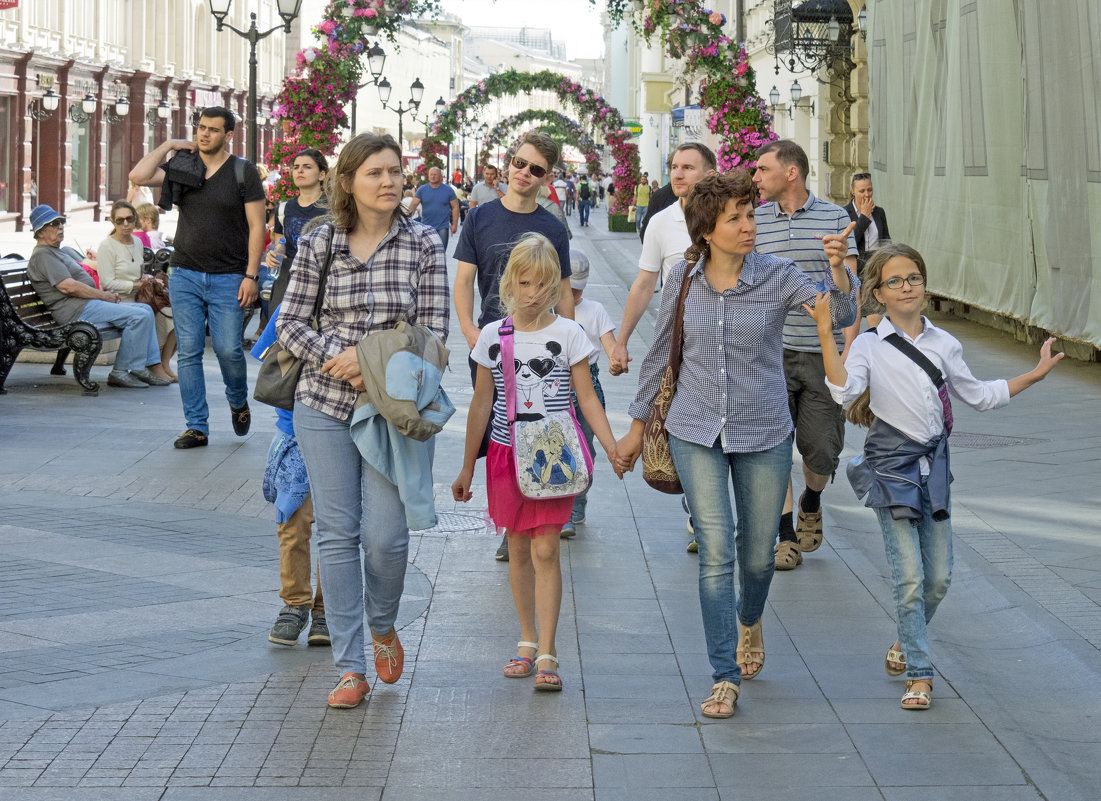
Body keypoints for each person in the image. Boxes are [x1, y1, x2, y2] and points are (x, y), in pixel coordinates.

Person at [615, 170, 857, 718]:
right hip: (694, 428)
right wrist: (634, 428)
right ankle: (724, 674)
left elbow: (838, 314)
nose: (750, 226)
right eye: (737, 218)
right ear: (706, 229)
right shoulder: (682, 277)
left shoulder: (778, 275)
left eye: (751, 214)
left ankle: (751, 618)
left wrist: (839, 271)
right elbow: (660, 355)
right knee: (717, 551)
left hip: (765, 429)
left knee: (757, 556)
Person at [805, 242, 1061, 710]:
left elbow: (980, 396)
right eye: (895, 281)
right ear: (878, 293)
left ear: (925, 285)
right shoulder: (868, 344)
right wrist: (827, 333)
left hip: (935, 468)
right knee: (908, 579)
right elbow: (843, 394)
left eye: (914, 278)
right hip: (890, 469)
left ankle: (906, 640)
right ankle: (920, 676)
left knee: (938, 579)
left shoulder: (945, 343)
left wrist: (1035, 375)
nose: (906, 287)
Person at [277, 133, 450, 709]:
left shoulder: (424, 242)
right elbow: (290, 323)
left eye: (396, 172)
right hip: (323, 403)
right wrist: (339, 359)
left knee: (385, 538)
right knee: (337, 531)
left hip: (389, 410)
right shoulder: (320, 239)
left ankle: (382, 623)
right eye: (375, 172)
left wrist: (371, 361)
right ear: (347, 181)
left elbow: (434, 335)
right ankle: (351, 665)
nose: (389, 182)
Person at [452, 233, 621, 692]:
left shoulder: (569, 335)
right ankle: (526, 640)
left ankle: (547, 649)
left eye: (543, 286)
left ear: (556, 288)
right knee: (519, 549)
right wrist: (468, 465)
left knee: (546, 548)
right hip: (507, 457)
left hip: (554, 458)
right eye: (524, 284)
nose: (533, 294)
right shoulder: (493, 336)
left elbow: (586, 398)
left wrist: (609, 445)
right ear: (510, 284)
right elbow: (481, 405)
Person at [453, 131, 575, 563]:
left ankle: (532, 510)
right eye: (519, 163)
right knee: (496, 426)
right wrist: (469, 328)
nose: (524, 173)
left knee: (536, 424)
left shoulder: (552, 227)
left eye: (535, 169)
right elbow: (465, 280)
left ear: (548, 177)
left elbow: (562, 291)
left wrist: (569, 342)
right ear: (509, 164)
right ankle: (510, 514)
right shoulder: (479, 218)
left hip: (540, 347)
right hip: (492, 342)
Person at [129, 106, 266, 449]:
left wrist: (251, 275)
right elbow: (139, 176)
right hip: (185, 272)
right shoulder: (183, 166)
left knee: (228, 349)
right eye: (201, 128)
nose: (204, 134)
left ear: (228, 135)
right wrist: (169, 145)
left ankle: (237, 400)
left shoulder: (242, 172)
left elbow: (256, 227)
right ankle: (196, 426)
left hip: (229, 276)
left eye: (213, 130)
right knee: (188, 352)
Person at [752, 139, 859, 570]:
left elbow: (849, 295)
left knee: (821, 451)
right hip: (769, 354)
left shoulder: (835, 217)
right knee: (773, 449)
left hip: (822, 355)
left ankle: (811, 499)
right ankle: (784, 536)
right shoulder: (754, 221)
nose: (755, 177)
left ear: (790, 171)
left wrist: (850, 348)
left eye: (762, 169)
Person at [250, 307, 327, 649]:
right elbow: (268, 357)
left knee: (338, 527)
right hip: (295, 430)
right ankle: (294, 603)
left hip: (349, 430)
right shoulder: (295, 303)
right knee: (293, 523)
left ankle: (328, 608)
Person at [25, 204, 167, 389]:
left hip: (86, 305)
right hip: (76, 311)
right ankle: (121, 371)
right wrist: (103, 295)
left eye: (61, 222)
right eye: (53, 224)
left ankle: (141, 367)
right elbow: (69, 287)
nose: (60, 226)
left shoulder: (54, 252)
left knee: (146, 310)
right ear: (40, 231)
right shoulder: (43, 255)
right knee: (138, 315)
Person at [611, 143, 716, 377]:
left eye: (688, 167)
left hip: (723, 337)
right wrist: (621, 342)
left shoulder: (728, 219)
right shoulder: (661, 222)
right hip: (677, 338)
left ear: (710, 175)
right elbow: (644, 285)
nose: (677, 174)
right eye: (675, 167)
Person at [559, 251, 616, 539]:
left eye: (578, 286)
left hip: (588, 383)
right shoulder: (548, 311)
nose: (574, 292)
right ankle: (563, 512)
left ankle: (577, 503)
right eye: (569, 286)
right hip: (556, 386)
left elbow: (609, 343)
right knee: (563, 448)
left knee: (584, 448)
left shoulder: (594, 310)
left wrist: (616, 357)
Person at [96, 199, 176, 382]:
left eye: (129, 219)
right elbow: (107, 283)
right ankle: (153, 365)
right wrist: (134, 285)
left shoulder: (137, 243)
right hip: (117, 300)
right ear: (113, 222)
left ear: (135, 220)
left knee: (175, 313)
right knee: (158, 314)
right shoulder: (107, 246)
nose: (125, 224)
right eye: (120, 220)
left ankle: (162, 364)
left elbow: (139, 273)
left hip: (139, 298)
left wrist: (147, 280)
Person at [267, 148, 329, 310]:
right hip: (289, 280)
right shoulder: (283, 208)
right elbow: (281, 244)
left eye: (307, 167)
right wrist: (274, 254)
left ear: (321, 175)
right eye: (296, 167)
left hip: (322, 281)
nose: (300, 170)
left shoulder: (333, 208)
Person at [844, 171, 891, 269]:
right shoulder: (844, 213)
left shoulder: (879, 212)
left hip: (877, 267)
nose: (867, 194)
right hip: (856, 269)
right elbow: (848, 244)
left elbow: (886, 241)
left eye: (869, 190)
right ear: (853, 191)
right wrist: (864, 216)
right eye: (862, 191)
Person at [408, 166, 459, 250]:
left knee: (441, 252)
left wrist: (455, 224)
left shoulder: (448, 190)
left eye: (435, 174)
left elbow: (455, 207)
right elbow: (413, 205)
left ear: (440, 176)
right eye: (431, 174)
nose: (433, 176)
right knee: (426, 251)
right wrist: (407, 221)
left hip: (442, 227)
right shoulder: (422, 189)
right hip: (426, 227)